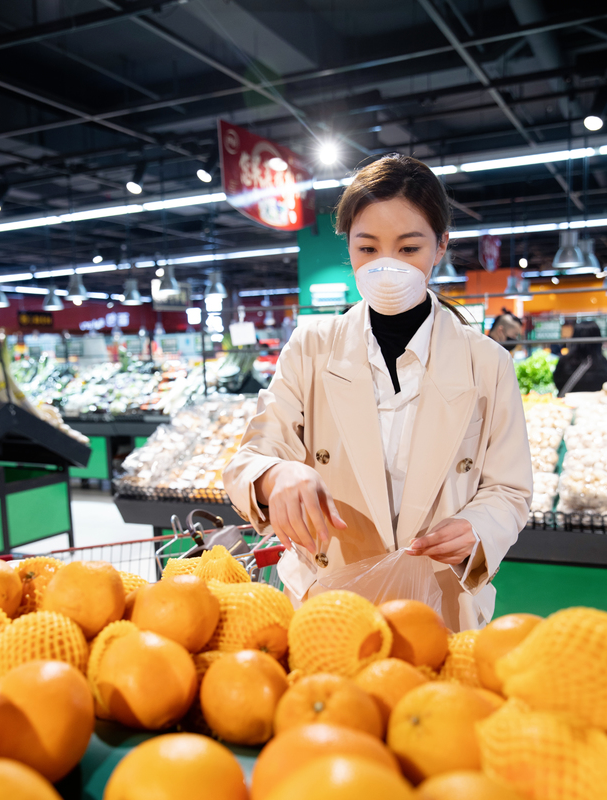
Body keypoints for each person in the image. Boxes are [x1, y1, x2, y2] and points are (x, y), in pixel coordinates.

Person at [223, 155, 532, 631]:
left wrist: (479, 527)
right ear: (348, 245)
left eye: (408, 248)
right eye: (367, 248)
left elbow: (509, 488)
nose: (387, 267)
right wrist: (277, 475)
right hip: (327, 602)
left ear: (441, 245)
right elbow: (250, 459)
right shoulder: (311, 348)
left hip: (438, 606)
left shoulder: (487, 362)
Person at [553, 320, 607, 396]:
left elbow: (557, 383)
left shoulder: (563, 362)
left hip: (568, 402)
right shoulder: (603, 363)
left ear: (574, 336)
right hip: (597, 403)